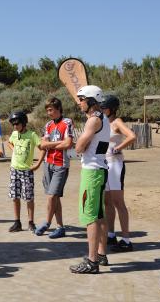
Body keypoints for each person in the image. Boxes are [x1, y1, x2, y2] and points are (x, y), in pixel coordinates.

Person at [69, 85, 111, 274]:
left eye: (82, 99)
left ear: (91, 101)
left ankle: (92, 261)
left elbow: (78, 148)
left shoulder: (93, 121)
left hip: (92, 172)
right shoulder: (103, 118)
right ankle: (101, 254)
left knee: (90, 216)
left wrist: (81, 145)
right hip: (100, 170)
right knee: (99, 214)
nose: (79, 103)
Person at [101, 95, 136, 252]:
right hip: (104, 164)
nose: (102, 110)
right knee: (107, 202)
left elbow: (132, 136)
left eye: (104, 107)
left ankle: (126, 240)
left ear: (112, 109)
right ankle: (111, 234)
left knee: (118, 202)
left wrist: (118, 148)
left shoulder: (117, 122)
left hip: (115, 165)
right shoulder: (103, 123)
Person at [34, 97, 74, 239]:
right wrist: (57, 143)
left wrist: (50, 144)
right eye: (47, 110)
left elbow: (68, 144)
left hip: (60, 164)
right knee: (55, 197)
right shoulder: (48, 125)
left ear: (58, 109)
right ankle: (60, 227)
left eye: (51, 110)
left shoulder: (67, 122)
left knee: (52, 196)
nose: (49, 113)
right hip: (47, 163)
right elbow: (42, 145)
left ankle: (47, 222)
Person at [7, 111, 44, 232]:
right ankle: (17, 222)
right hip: (14, 170)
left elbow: (42, 149)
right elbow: (9, 142)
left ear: (23, 123)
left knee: (29, 198)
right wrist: (14, 151)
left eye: (17, 124)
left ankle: (31, 222)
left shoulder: (32, 135)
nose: (15, 126)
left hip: (27, 171)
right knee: (15, 197)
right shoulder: (14, 134)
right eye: (13, 124)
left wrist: (38, 164)